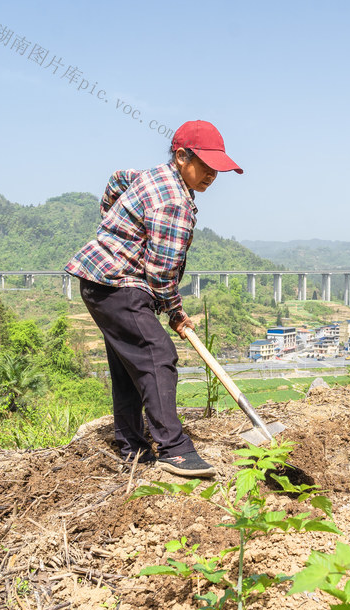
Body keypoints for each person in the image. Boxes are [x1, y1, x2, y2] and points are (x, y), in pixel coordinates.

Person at [65, 120, 243, 477]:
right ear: (181, 157)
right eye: (206, 166)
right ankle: (174, 449)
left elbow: (117, 179)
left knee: (129, 367)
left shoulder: (151, 177)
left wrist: (115, 229)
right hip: (119, 285)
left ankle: (132, 447)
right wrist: (175, 313)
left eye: (217, 169)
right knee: (158, 355)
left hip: (98, 280)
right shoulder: (173, 201)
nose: (212, 175)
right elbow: (162, 272)